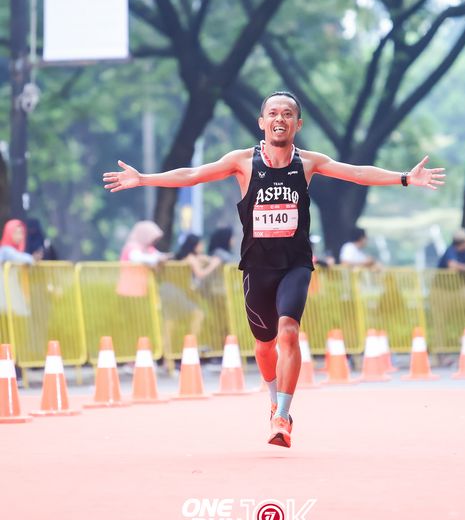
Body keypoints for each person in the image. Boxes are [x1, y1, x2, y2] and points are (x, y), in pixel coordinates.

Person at [103, 90, 445, 448]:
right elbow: (193, 174)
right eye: (273, 113)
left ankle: (283, 415)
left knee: (289, 332)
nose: (280, 119)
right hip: (257, 268)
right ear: (262, 122)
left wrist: (405, 178)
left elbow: (357, 173)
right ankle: (272, 400)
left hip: (295, 264)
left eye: (287, 114)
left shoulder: (308, 162)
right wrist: (144, 178)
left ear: (298, 123)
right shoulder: (243, 162)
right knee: (265, 347)